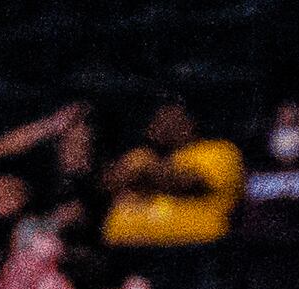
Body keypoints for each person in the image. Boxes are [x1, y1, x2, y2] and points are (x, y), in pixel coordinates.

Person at [102, 100, 243, 248]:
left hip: (191, 248)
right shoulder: (142, 155)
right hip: (129, 247)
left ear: (190, 122)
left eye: (172, 117)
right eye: (160, 117)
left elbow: (193, 183)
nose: (163, 124)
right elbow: (109, 185)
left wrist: (146, 171)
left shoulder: (218, 151)